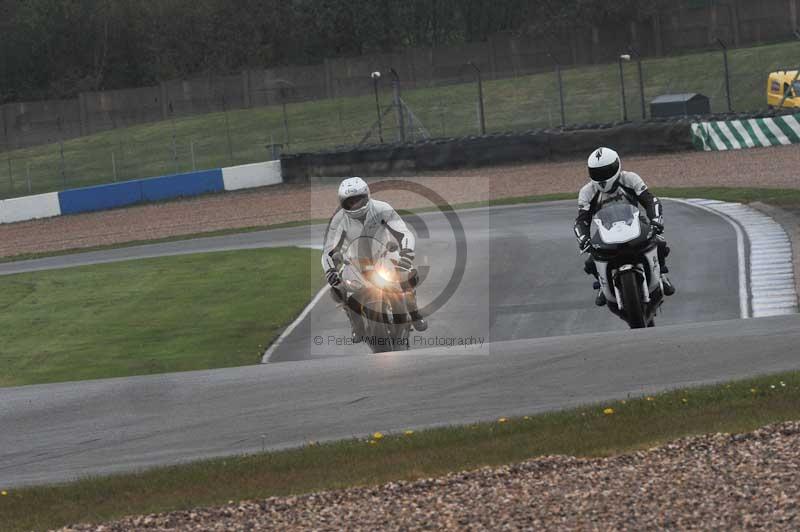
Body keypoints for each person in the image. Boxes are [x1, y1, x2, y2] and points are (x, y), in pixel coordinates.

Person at [322, 177, 427, 342]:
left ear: (367, 195)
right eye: (350, 202)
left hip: (385, 253)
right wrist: (330, 270)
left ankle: (414, 312)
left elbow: (404, 232)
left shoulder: (382, 208)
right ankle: (354, 320)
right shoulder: (338, 220)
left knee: (409, 276)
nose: (355, 204)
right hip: (354, 261)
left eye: (359, 199)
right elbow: (328, 250)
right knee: (337, 290)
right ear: (343, 202)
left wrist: (406, 255)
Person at [573, 147, 676, 306]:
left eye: (606, 171)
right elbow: (582, 220)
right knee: (590, 262)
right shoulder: (587, 192)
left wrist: (656, 220)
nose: (602, 177)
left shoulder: (630, 179)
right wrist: (584, 239)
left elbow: (650, 200)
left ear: (616, 166)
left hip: (636, 222)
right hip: (604, 230)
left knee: (660, 244)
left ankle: (661, 273)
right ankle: (602, 284)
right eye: (597, 173)